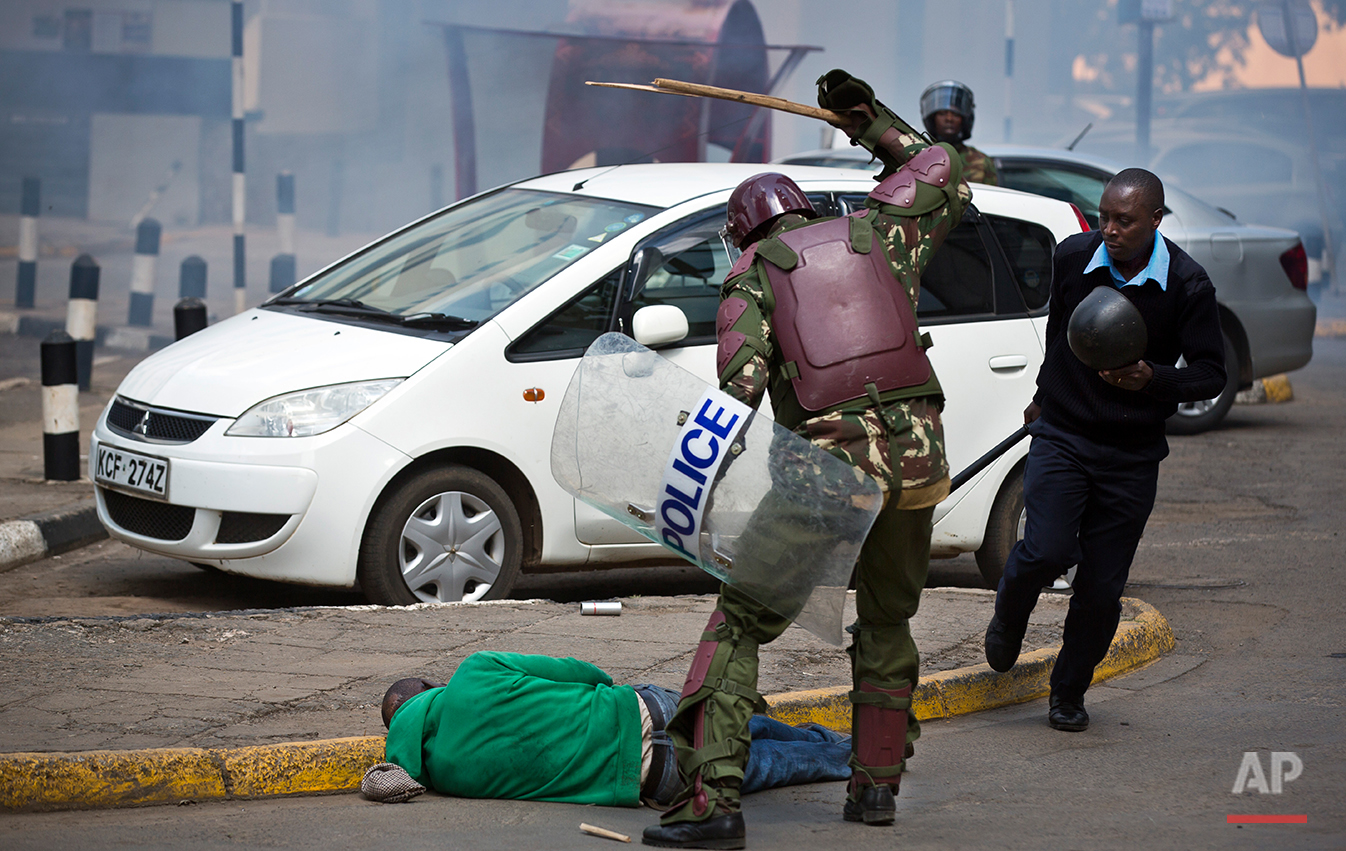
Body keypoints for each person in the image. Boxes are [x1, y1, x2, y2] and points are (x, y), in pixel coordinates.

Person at [642, 69, 971, 849]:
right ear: (806, 208)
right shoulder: (879, 233)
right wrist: (868, 121)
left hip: (828, 475)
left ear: (741, 231)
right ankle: (876, 791)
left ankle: (711, 801)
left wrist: (699, 489)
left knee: (740, 624)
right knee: (888, 617)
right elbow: (941, 168)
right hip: (920, 466)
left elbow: (739, 391)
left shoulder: (750, 276)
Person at [983, 168, 1226, 733]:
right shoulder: (1073, 258)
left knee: (1100, 587)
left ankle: (1068, 692)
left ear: (1155, 221)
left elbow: (1211, 373)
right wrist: (1044, 395)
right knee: (1042, 551)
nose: (1109, 230)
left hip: (1132, 454)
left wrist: (1154, 379)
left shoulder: (1187, 285)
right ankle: (1009, 615)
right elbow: (1058, 334)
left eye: (1124, 221)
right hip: (1064, 435)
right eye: (1104, 217)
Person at [380, 651, 852, 807]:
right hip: (642, 710)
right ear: (429, 687)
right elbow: (580, 672)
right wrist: (604, 693)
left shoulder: (441, 777)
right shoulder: (476, 671)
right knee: (748, 724)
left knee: (774, 765)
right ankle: (846, 738)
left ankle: (854, 758)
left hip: (652, 775)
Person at [919, 80, 998, 186]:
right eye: (942, 113)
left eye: (956, 114)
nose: (949, 119)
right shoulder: (918, 158)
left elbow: (991, 199)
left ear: (964, 119)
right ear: (932, 118)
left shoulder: (981, 162)